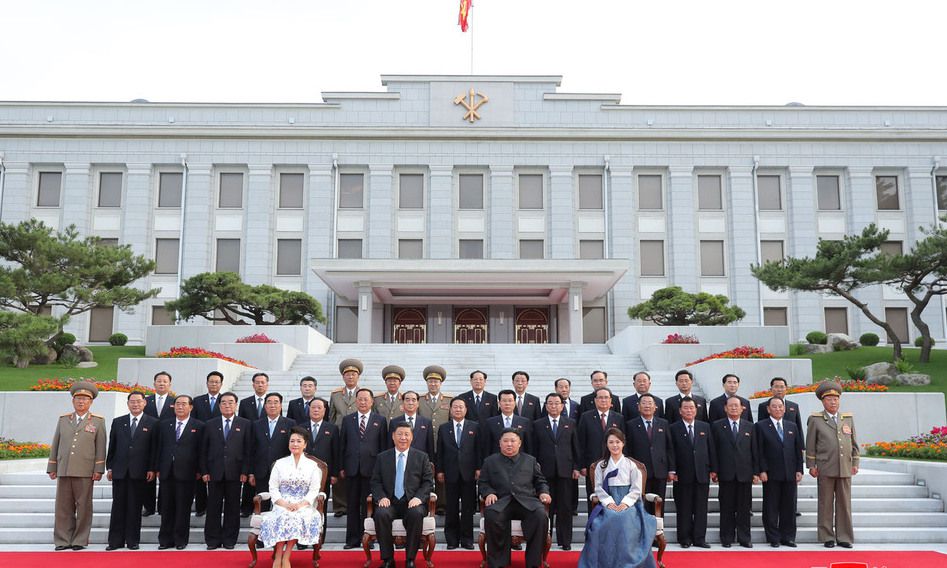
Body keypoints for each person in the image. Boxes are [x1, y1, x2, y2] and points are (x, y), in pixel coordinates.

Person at [578, 428, 657, 568]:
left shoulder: (631, 465)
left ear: (623, 444)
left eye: (618, 442)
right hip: (608, 501)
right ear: (606, 444)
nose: (615, 445)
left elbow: (636, 489)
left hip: (629, 502)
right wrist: (609, 503)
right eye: (611, 442)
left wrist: (625, 503)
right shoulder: (601, 466)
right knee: (601, 523)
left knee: (625, 518)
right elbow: (598, 488)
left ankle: (628, 561)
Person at [479, 429, 552, 568]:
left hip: (527, 501)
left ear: (519, 443)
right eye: (505, 441)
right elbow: (483, 483)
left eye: (513, 441)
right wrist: (489, 493)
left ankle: (534, 562)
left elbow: (540, 481)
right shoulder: (490, 461)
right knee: (492, 514)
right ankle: (498, 563)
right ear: (500, 443)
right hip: (501, 502)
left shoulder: (530, 460)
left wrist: (544, 492)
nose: (509, 444)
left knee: (540, 515)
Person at [47, 381, 107, 551]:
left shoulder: (98, 422)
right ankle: (62, 540)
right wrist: (52, 467)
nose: (81, 402)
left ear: (91, 402)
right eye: (78, 399)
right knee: (63, 507)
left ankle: (80, 539)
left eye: (85, 399)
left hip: (85, 471)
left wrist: (98, 469)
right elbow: (56, 443)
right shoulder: (64, 420)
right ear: (73, 401)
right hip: (64, 469)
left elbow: (101, 447)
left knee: (84, 507)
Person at [259, 426, 324, 568]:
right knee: (282, 516)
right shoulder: (279, 464)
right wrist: (284, 503)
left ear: (305, 444)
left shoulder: (312, 465)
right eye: (292, 441)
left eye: (299, 441)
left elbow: (314, 490)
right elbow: (273, 488)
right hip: (282, 503)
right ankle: (278, 556)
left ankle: (285, 556)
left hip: (304, 504)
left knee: (297, 517)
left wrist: (300, 504)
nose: (295, 444)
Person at [371, 423, 435, 568]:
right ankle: (388, 559)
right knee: (381, 514)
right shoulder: (382, 457)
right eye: (399, 434)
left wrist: (419, 498)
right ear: (393, 436)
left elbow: (427, 483)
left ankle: (410, 558)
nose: (403, 438)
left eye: (407, 434)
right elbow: (375, 482)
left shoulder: (421, 457)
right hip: (390, 502)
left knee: (416, 514)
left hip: (412, 501)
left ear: (412, 437)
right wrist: (381, 497)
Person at [806, 380, 858, 548]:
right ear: (823, 401)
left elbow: (854, 443)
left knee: (844, 504)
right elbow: (811, 444)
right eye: (829, 399)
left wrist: (855, 462)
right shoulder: (816, 419)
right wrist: (811, 465)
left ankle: (844, 537)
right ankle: (827, 536)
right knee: (826, 503)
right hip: (825, 467)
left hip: (844, 467)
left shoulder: (847, 419)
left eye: (835, 399)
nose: (833, 402)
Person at [106, 391, 158, 550]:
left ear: (144, 403)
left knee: (135, 507)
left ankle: (132, 540)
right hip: (120, 470)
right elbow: (112, 446)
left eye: (138, 401)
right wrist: (110, 467)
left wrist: (152, 468)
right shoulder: (118, 422)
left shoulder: (153, 423)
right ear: (128, 404)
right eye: (132, 402)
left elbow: (154, 449)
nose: (135, 404)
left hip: (140, 471)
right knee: (118, 506)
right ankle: (115, 541)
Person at [201, 391, 252, 550]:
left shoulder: (245, 424)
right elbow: (203, 450)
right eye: (224, 402)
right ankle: (212, 540)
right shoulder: (210, 424)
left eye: (231, 402)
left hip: (236, 473)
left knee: (232, 507)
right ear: (219, 405)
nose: (227, 405)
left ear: (236, 405)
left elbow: (248, 450)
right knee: (213, 507)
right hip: (214, 472)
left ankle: (230, 539)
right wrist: (204, 471)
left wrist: (245, 471)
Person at [340, 388, 389, 548]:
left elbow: (383, 447)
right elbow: (343, 445)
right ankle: (352, 539)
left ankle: (369, 538)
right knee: (352, 505)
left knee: (370, 506)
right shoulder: (348, 420)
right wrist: (341, 466)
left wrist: (382, 470)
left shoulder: (380, 421)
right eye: (359, 399)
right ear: (355, 401)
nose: (362, 402)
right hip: (352, 468)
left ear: (372, 401)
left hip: (372, 469)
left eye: (365, 399)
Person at [155, 395, 205, 550]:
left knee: (183, 508)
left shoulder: (199, 426)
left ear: (190, 407)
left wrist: (200, 470)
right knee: (167, 507)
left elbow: (201, 451)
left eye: (184, 404)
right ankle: (165, 540)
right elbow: (158, 448)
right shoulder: (164, 425)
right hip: (166, 471)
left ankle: (180, 540)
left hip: (188, 473)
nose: (180, 407)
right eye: (177, 404)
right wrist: (157, 467)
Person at [533, 393, 580, 550]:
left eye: (557, 403)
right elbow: (534, 449)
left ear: (562, 406)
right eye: (550, 403)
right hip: (544, 473)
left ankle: (565, 541)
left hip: (565, 471)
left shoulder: (571, 423)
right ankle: (544, 539)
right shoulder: (538, 424)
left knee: (565, 507)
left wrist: (576, 467)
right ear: (546, 406)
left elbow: (575, 447)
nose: (553, 406)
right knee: (545, 508)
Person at [754, 397, 804, 547]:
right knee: (771, 507)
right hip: (771, 473)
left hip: (790, 472)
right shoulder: (761, 426)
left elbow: (797, 450)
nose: (777, 409)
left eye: (780, 406)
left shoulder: (791, 426)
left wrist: (799, 469)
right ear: (768, 409)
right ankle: (773, 537)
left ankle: (788, 537)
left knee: (789, 506)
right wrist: (761, 470)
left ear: (784, 408)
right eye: (774, 407)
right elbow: (759, 451)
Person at [668, 397, 716, 548]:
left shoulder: (705, 427)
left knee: (701, 508)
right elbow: (671, 451)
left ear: (697, 410)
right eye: (686, 408)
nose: (689, 410)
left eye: (692, 408)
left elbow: (711, 449)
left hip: (702, 473)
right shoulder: (673, 428)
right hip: (682, 475)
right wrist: (672, 469)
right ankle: (684, 538)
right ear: (680, 411)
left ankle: (699, 538)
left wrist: (714, 469)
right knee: (684, 508)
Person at [711, 396, 757, 548]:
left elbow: (755, 451)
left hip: (745, 474)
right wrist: (714, 470)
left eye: (737, 406)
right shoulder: (717, 426)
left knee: (744, 509)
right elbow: (713, 451)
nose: (734, 408)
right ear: (725, 408)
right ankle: (726, 537)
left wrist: (756, 472)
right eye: (730, 406)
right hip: (726, 473)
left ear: (743, 408)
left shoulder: (750, 426)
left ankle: (745, 538)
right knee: (726, 507)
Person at [436, 398, 481, 550]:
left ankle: (467, 539)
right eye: (455, 407)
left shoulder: (474, 427)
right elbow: (440, 451)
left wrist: (478, 468)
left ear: (466, 409)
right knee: (451, 507)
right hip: (450, 472)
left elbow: (478, 450)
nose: (458, 409)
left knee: (468, 508)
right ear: (450, 410)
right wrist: (440, 470)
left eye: (461, 407)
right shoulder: (444, 428)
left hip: (469, 473)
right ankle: (452, 540)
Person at [624, 393, 673, 516]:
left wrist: (671, 470)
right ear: (638, 407)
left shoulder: (664, 423)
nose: (647, 406)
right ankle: (643, 532)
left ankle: (658, 531)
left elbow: (669, 447)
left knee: (658, 504)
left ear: (655, 407)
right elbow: (627, 449)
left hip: (660, 470)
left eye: (650, 403)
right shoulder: (630, 425)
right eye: (644, 403)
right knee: (641, 504)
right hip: (639, 471)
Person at [577, 387, 625, 512]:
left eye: (606, 398)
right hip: (592, 465)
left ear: (611, 401)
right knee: (594, 498)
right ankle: (593, 527)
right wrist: (582, 465)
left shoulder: (618, 418)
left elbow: (624, 443)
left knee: (613, 498)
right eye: (600, 397)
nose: (603, 400)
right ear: (595, 400)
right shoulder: (586, 417)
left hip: (614, 466)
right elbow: (581, 443)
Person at [329, 358, 363, 517]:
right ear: (343, 377)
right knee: (339, 469)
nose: (350, 377)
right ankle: (340, 506)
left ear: (358, 377)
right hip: (340, 435)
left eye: (353, 374)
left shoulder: (363, 395)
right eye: (347, 374)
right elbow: (331, 417)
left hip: (357, 437)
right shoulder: (336, 395)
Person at [249, 393, 296, 508]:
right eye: (269, 402)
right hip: (261, 471)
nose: (272, 405)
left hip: (283, 471)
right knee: (263, 504)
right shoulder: (256, 424)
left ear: (281, 406)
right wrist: (251, 472)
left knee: (282, 505)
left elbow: (294, 449)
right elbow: (251, 449)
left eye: (276, 402)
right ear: (265, 406)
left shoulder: (290, 423)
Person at [239, 372, 271, 516]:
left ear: (267, 384)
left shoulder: (272, 401)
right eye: (257, 382)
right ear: (253, 385)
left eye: (263, 382)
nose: (260, 385)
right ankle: (246, 508)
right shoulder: (245, 402)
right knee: (249, 482)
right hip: (249, 442)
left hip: (265, 443)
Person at [143, 371, 175, 516]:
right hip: (147, 443)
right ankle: (148, 506)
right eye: (159, 381)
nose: (162, 383)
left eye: (165, 381)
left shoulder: (176, 402)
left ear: (170, 384)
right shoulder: (146, 401)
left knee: (165, 476)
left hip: (167, 444)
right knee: (148, 475)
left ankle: (163, 506)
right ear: (154, 383)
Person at [192, 371, 223, 516]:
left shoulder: (226, 400)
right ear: (207, 383)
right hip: (200, 442)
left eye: (217, 382)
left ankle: (215, 505)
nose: (214, 384)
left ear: (221, 384)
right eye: (211, 381)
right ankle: (200, 506)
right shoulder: (198, 401)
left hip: (219, 445)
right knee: (200, 475)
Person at [482, 389, 533, 458]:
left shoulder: (524, 422)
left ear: (515, 403)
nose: (507, 403)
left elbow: (528, 446)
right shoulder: (490, 422)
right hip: (496, 462)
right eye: (504, 401)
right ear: (499, 403)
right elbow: (487, 447)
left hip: (519, 462)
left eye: (510, 400)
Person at [390, 391, 435, 456]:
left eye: (413, 400)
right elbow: (390, 445)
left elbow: (430, 446)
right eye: (407, 400)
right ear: (403, 403)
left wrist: (431, 461)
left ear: (418, 404)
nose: (410, 403)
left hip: (420, 460)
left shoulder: (426, 422)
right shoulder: (394, 422)